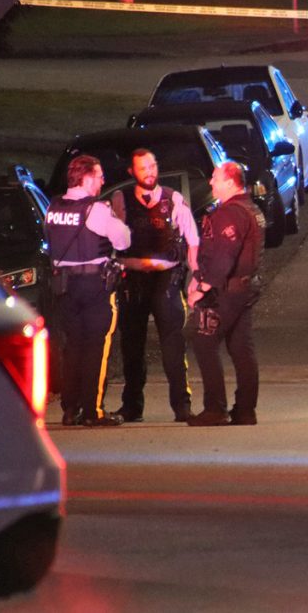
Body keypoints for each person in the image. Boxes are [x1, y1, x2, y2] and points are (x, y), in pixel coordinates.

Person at [110, 149, 200, 423]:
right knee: (131, 346)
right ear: (132, 172)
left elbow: (192, 239)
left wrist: (196, 276)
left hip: (166, 280)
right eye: (142, 168)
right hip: (132, 281)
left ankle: (181, 405)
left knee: (173, 345)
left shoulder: (174, 199)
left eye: (152, 165)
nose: (149, 172)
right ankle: (132, 405)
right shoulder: (120, 200)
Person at [46, 155, 131, 427]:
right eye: (99, 175)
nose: (103, 180)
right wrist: (117, 216)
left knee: (72, 348)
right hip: (94, 286)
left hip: (64, 287)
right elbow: (124, 240)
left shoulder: (53, 207)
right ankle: (93, 410)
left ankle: (70, 410)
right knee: (96, 348)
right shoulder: (97, 210)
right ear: (86, 178)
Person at [186, 161, 265, 426]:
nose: (211, 182)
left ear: (230, 182)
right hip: (244, 288)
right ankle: (245, 410)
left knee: (203, 339)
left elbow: (223, 256)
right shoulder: (250, 209)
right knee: (241, 347)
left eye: (215, 178)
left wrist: (203, 287)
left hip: (227, 290)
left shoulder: (231, 213)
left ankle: (215, 408)